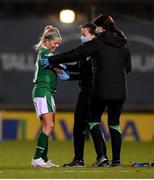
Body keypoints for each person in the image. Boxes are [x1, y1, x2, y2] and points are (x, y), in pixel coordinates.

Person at [41, 14, 131, 167]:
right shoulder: (122, 44)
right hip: (120, 91)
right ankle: (116, 161)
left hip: (100, 90)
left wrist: (52, 59)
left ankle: (100, 157)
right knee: (114, 124)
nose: (95, 30)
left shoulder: (97, 43)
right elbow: (127, 69)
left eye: (96, 27)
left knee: (94, 121)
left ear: (101, 28)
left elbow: (74, 54)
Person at [63, 23, 107, 167]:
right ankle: (79, 159)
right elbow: (80, 68)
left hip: (93, 93)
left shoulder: (95, 50)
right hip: (84, 93)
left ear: (93, 35)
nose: (82, 37)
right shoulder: (85, 51)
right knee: (79, 127)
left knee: (93, 124)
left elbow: (86, 74)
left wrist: (68, 76)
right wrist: (65, 67)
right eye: (81, 35)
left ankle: (102, 157)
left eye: (84, 35)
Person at [31, 25, 69, 168]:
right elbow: (56, 65)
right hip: (43, 91)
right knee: (49, 126)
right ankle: (36, 158)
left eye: (58, 43)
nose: (56, 45)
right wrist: (63, 69)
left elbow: (56, 64)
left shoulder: (47, 53)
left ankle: (44, 158)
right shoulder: (43, 51)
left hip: (47, 92)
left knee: (47, 126)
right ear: (47, 41)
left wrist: (61, 69)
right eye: (55, 42)